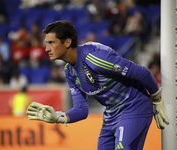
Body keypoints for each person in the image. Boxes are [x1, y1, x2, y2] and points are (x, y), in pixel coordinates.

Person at [26, 21, 169, 150]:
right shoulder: (69, 72)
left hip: (133, 107)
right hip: (111, 115)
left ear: (67, 42)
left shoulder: (95, 57)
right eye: (46, 43)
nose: (46, 48)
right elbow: (81, 110)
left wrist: (156, 98)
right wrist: (59, 117)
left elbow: (142, 73)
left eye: (51, 42)